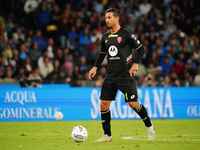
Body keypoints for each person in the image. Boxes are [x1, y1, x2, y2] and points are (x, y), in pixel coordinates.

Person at [88, 8, 155, 142]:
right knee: (103, 104)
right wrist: (95, 67)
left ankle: (149, 125)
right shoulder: (105, 37)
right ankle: (108, 135)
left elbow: (141, 49)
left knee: (133, 104)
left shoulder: (126, 34)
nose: (107, 20)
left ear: (117, 18)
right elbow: (102, 53)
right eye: (106, 18)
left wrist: (136, 63)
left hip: (126, 76)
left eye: (109, 17)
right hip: (111, 76)